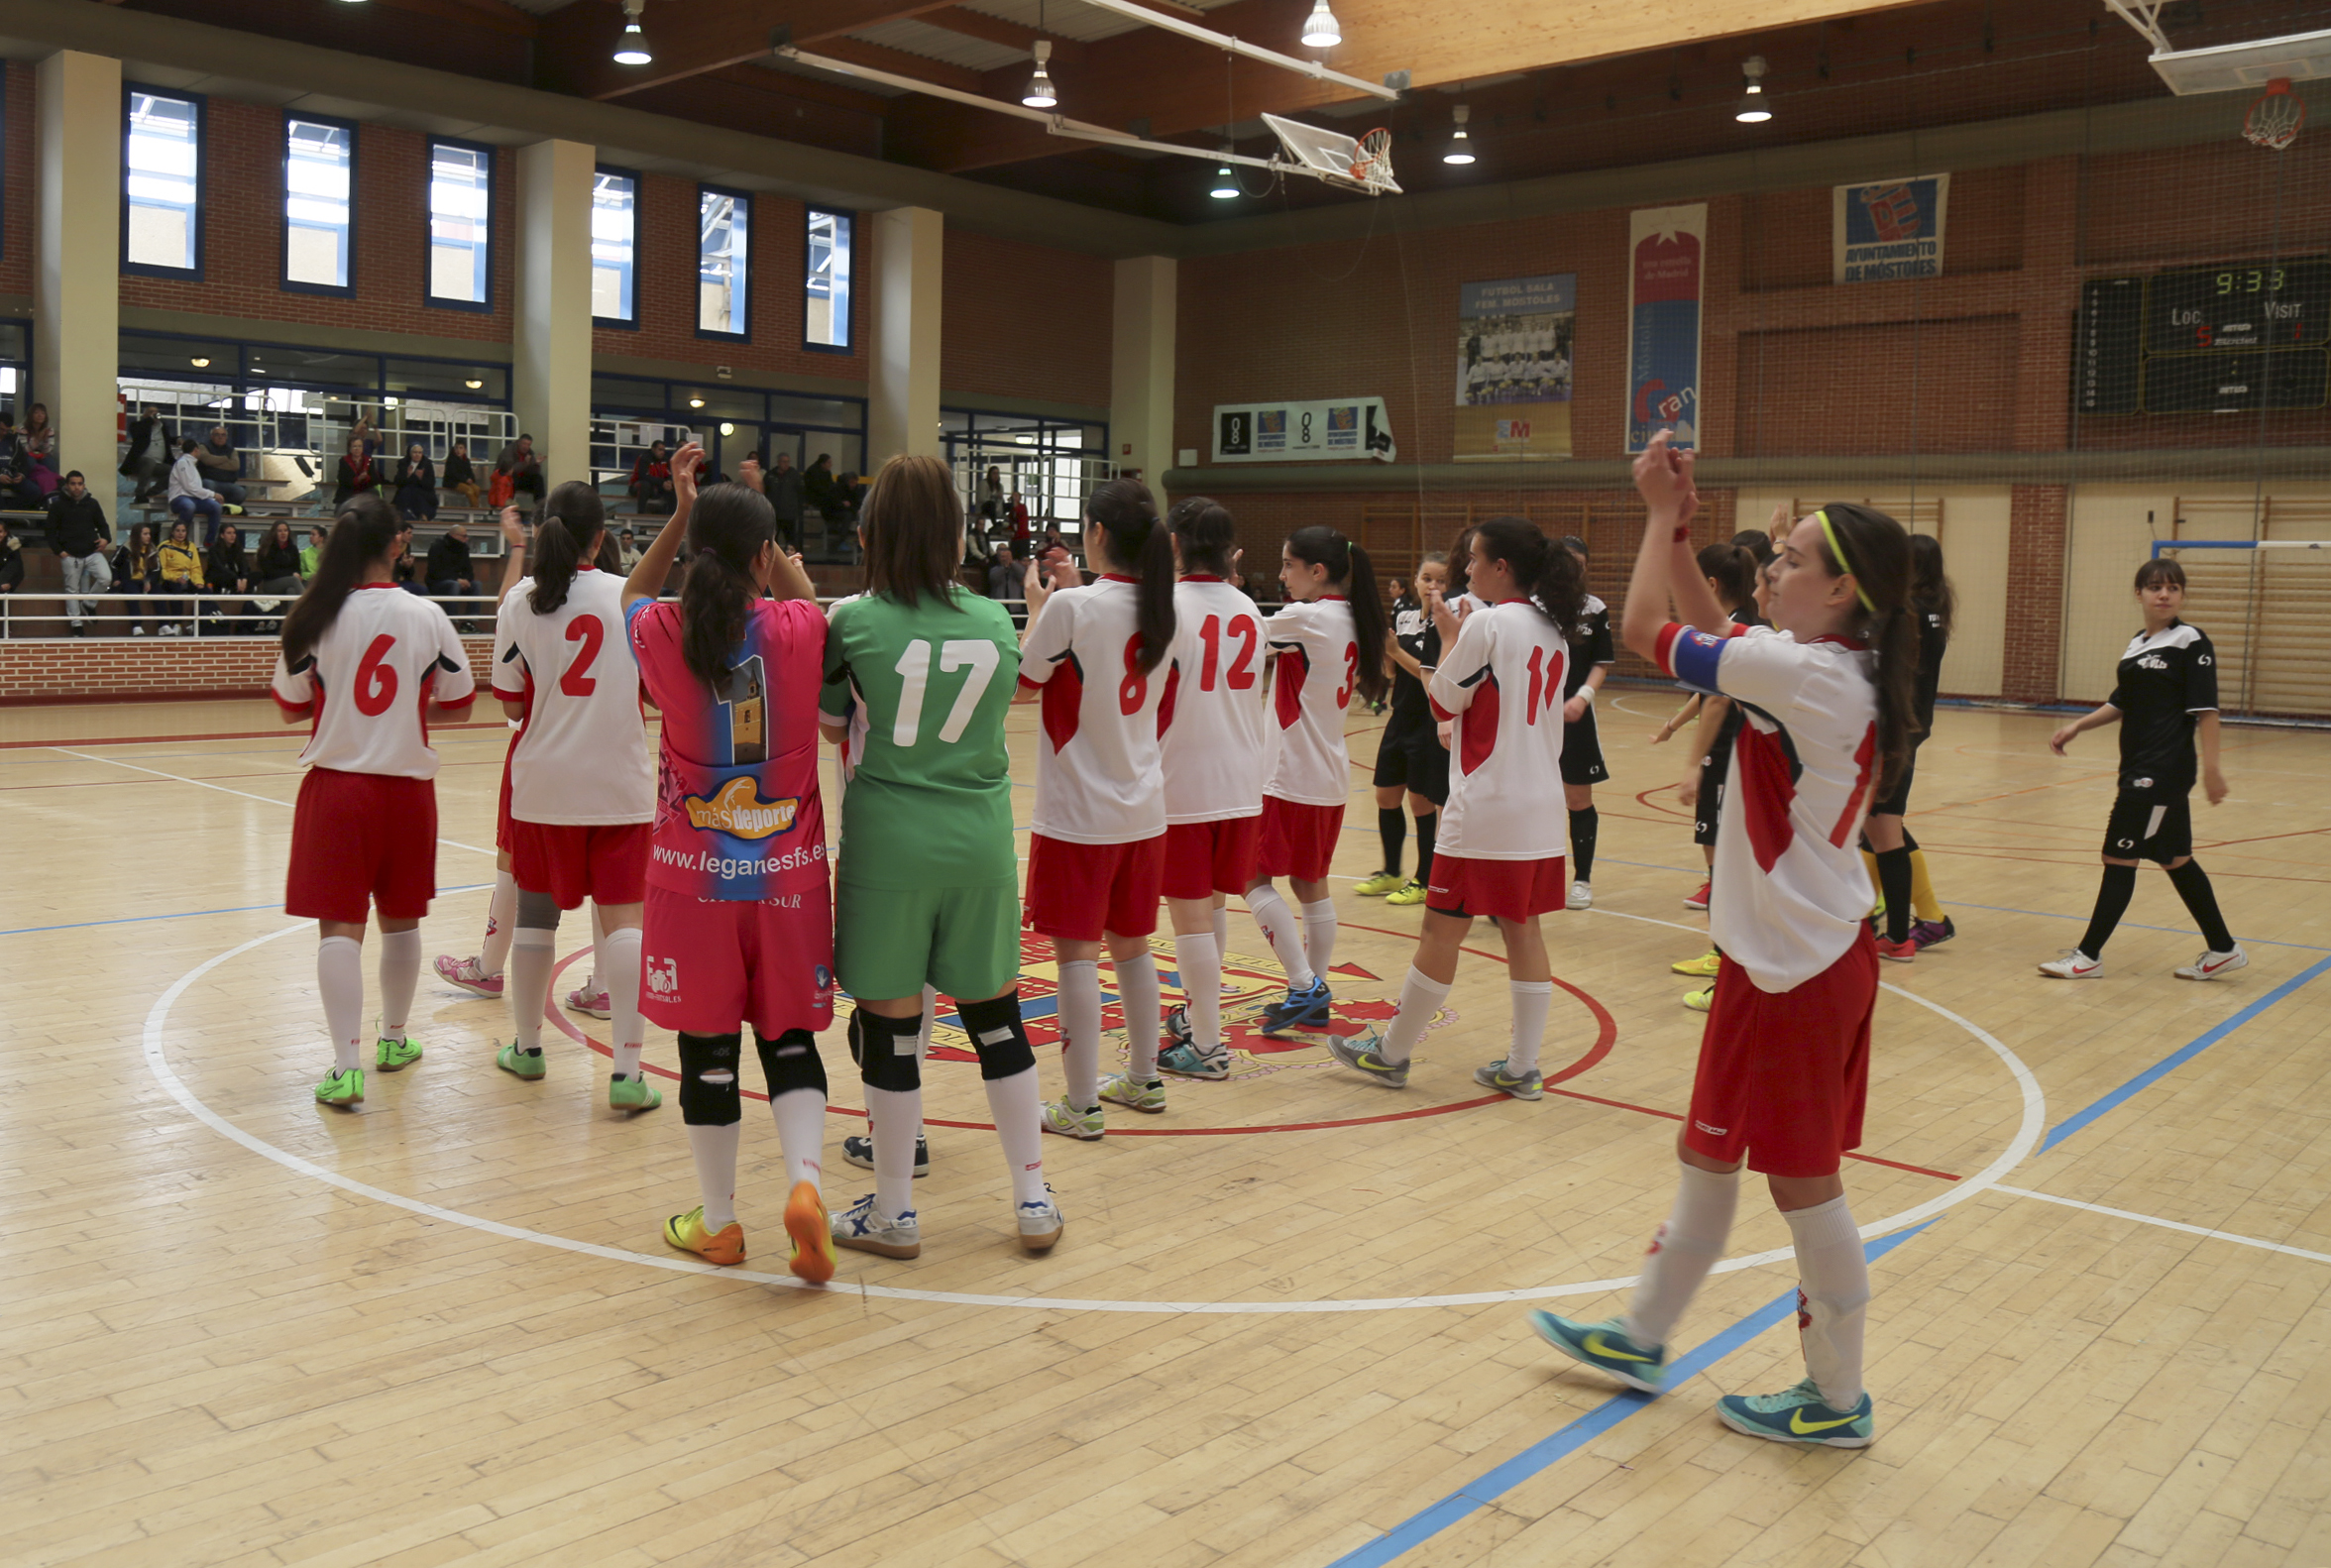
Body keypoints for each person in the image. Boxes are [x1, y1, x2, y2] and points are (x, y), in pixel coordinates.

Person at [1531, 435, 1913, 1450]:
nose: (1773, 568)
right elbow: (1717, 625)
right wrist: (1686, 521)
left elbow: (1652, 624)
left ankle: (1837, 1400)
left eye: (1792, 560)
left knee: (1803, 1182)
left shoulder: (1809, 674)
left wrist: (1656, 517)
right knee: (1707, 1152)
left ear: (1840, 593)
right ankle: (1643, 1333)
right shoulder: (1825, 663)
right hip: (1781, 956)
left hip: (1803, 966)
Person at [818, 454, 1061, 1261]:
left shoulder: (852, 623)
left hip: (891, 841)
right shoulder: (996, 621)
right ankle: (1031, 1196)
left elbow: (827, 727)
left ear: (873, 533)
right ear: (955, 533)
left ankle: (894, 1212)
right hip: (982, 840)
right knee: (997, 1021)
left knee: (891, 1028)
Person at [623, 443, 837, 1282]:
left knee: (708, 1049)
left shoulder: (661, 629)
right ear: (763, 557)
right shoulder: (798, 629)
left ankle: (718, 1223)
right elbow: (804, 596)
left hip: (692, 880)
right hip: (787, 878)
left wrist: (684, 515)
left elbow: (635, 591)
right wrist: (762, 535)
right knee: (789, 1040)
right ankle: (806, 1186)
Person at [1329, 517, 1586, 1097]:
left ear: (1502, 568)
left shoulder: (1491, 623)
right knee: (1524, 930)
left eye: (1474, 560)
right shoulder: (1555, 631)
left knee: (1440, 928)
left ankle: (1392, 1053)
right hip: (1540, 808)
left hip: (1488, 807)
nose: (1465, 570)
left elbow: (1443, 695)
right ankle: (1523, 1066)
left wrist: (1447, 636)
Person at [272, 493, 478, 1107]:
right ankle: (394, 1038)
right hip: (407, 794)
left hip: (336, 791)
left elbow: (288, 708)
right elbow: (462, 703)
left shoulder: (311, 615)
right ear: (399, 544)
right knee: (402, 919)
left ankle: (345, 1065)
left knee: (338, 928)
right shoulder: (427, 614)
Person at [486, 485, 662, 1111]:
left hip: (543, 787)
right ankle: (629, 1074)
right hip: (620, 785)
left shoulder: (520, 602)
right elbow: (662, 696)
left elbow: (508, 701)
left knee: (536, 917)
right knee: (624, 922)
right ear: (601, 535)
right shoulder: (635, 598)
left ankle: (528, 1049)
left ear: (540, 532)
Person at [1014, 477, 1178, 1139]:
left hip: (1079, 812)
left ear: (1098, 534)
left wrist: (1037, 608)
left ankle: (1080, 1104)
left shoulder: (1072, 609)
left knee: (1076, 956)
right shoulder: (1168, 610)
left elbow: (1025, 687)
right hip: (1143, 807)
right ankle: (1143, 1076)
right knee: (1133, 949)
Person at [2039, 558, 2243, 982]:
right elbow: (2122, 702)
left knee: (2118, 857)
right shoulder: (2137, 644)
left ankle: (2088, 956)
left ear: (2182, 595)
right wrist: (2078, 725)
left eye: (2172, 588)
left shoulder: (2191, 641)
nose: (2164, 594)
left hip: (2160, 771)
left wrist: (2213, 770)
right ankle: (2224, 949)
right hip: (2138, 766)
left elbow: (2206, 711)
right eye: (2155, 587)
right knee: (2176, 859)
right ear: (2140, 594)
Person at [1243, 525, 1389, 1034]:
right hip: (1328, 773)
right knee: (1311, 885)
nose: (1282, 577)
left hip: (1290, 774)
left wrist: (1221, 582)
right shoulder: (1352, 617)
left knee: (1251, 877)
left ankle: (1306, 985)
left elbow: (1235, 638)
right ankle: (1314, 992)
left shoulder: (1306, 617)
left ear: (1317, 571)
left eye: (1288, 565)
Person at [1154, 498, 1271, 1081]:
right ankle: (1203, 1018)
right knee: (1214, 907)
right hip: (1243, 777)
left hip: (1186, 779)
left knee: (1190, 916)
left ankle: (1206, 1045)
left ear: (1174, 543)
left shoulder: (1167, 605)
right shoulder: (1249, 605)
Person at [1659, 542, 1763, 1011]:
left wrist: (1689, 767)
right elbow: (1708, 694)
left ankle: (1726, 959)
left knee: (1723, 860)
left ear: (1712, 586)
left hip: (1730, 758)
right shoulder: (1755, 626)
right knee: (1727, 860)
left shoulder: (1736, 634)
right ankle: (1726, 954)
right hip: (1745, 759)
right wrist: (1674, 725)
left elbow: (1718, 700)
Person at [1861, 532, 1955, 959]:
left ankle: (1897, 933)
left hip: (1894, 730)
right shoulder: (1935, 607)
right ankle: (1890, 926)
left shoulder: (1908, 612)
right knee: (1880, 827)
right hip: (1911, 726)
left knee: (1883, 830)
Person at [1355, 555, 1450, 907]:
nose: (1432, 586)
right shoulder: (1405, 616)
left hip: (1429, 719)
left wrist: (1396, 650)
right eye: (1426, 578)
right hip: (1400, 716)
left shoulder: (1447, 624)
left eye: (1440, 580)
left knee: (1421, 802)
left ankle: (1424, 879)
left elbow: (1433, 676)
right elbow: (1394, 674)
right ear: (1415, 580)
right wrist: (1386, 657)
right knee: (1385, 796)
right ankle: (1391, 871)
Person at [1557, 535, 1617, 910]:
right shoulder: (1531, 606)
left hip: (1574, 718)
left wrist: (1583, 696)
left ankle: (1581, 879)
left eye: (1579, 563)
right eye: (1566, 562)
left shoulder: (1594, 609)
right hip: (1532, 719)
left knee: (1578, 798)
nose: (1572, 570)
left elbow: (1601, 662)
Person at [46, 470, 111, 637]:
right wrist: (60, 551)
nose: (77, 487)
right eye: (73, 484)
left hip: (92, 552)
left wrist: (105, 539)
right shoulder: (58, 506)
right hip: (70, 555)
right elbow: (50, 532)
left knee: (106, 578)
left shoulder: (92, 503)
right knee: (72, 590)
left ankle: (89, 604)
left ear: (84, 485)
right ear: (67, 485)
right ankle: (76, 625)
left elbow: (103, 525)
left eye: (80, 484)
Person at [167, 437, 226, 544]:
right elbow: (189, 487)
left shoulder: (193, 465)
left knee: (216, 507)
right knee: (189, 506)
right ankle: (179, 538)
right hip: (179, 498)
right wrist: (213, 494)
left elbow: (194, 489)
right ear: (195, 450)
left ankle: (210, 541)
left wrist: (211, 496)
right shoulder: (182, 463)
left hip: (194, 498)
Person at [156, 516, 204, 634]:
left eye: (183, 531)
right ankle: (177, 624)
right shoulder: (164, 546)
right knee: (176, 589)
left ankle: (196, 624)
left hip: (188, 578)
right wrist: (176, 578)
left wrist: (198, 582)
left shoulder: (191, 546)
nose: (180, 534)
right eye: (178, 531)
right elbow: (162, 570)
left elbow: (196, 567)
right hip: (169, 580)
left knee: (205, 591)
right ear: (172, 532)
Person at [204, 522, 254, 630]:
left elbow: (244, 565)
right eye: (229, 533)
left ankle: (236, 590)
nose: (232, 536)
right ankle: (235, 590)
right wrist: (236, 579)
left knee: (256, 576)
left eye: (234, 533)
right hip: (218, 578)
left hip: (236, 580)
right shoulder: (214, 549)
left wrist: (244, 578)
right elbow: (219, 568)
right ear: (222, 535)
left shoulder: (237, 548)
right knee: (221, 575)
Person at [111, 521, 156, 635]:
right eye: (145, 534)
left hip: (145, 581)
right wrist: (115, 579)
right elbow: (113, 564)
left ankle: (163, 625)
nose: (148, 537)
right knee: (132, 591)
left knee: (159, 590)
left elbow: (156, 570)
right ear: (137, 535)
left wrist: (148, 580)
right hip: (129, 581)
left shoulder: (152, 549)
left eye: (149, 534)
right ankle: (136, 626)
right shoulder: (126, 548)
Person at [121, 405, 172, 503]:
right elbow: (136, 433)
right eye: (151, 412)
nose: (154, 413)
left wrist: (178, 439)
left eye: (156, 412)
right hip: (140, 462)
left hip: (157, 464)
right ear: (145, 415)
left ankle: (151, 492)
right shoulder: (137, 425)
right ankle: (139, 493)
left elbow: (168, 439)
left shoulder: (162, 428)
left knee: (173, 471)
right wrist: (149, 420)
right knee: (149, 462)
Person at [197, 425, 248, 506]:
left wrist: (213, 463)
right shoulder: (203, 446)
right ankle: (212, 507)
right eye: (217, 434)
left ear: (226, 437)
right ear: (211, 436)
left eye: (223, 435)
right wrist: (225, 458)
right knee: (208, 484)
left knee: (241, 492)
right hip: (209, 480)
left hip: (227, 483)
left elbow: (235, 465)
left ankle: (225, 508)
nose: (220, 437)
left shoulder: (231, 450)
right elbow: (207, 460)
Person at [256, 519, 304, 598]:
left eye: (285, 530)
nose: (283, 533)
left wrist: (295, 574)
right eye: (280, 531)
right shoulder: (267, 548)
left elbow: (297, 569)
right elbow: (269, 572)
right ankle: (309, 606)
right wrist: (290, 574)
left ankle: (293, 610)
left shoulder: (293, 548)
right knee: (294, 580)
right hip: (270, 583)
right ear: (274, 533)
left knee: (291, 590)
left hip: (288, 582)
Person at [496, 435, 544, 515]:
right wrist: (525, 463)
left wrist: (536, 464)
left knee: (538, 478)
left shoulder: (529, 454)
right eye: (524, 444)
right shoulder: (508, 451)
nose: (526, 447)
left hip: (521, 479)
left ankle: (541, 506)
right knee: (513, 478)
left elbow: (533, 472)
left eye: (528, 445)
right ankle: (510, 509)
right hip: (505, 480)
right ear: (518, 442)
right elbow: (509, 470)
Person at [426, 522, 477, 599]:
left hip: (458, 580)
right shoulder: (437, 547)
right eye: (464, 536)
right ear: (455, 536)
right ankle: (452, 611)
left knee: (477, 585)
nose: (467, 539)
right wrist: (457, 579)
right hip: (438, 582)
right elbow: (435, 571)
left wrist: (466, 580)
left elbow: (468, 569)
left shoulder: (464, 549)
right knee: (454, 585)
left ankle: (474, 611)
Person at [766, 452, 805, 547]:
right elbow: (766, 491)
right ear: (778, 462)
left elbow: (801, 492)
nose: (786, 464)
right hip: (774, 513)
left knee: (791, 540)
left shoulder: (794, 476)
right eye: (784, 461)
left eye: (788, 461)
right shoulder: (770, 475)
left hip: (789, 513)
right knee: (773, 540)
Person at [392, 443, 438, 522]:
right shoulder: (403, 464)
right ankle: (401, 515)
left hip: (423, 491)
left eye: (420, 453)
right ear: (410, 453)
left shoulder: (427, 464)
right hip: (407, 490)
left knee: (418, 494)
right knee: (406, 492)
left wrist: (421, 479)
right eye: (415, 452)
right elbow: (398, 482)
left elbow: (430, 484)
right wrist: (408, 475)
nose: (417, 455)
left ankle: (424, 515)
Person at [629, 440, 674, 515]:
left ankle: (671, 515)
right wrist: (662, 482)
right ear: (653, 449)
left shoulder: (665, 459)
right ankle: (641, 514)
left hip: (657, 486)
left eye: (663, 450)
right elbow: (643, 476)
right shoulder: (644, 458)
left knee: (674, 487)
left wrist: (669, 482)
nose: (662, 452)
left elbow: (669, 474)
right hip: (637, 486)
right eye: (660, 450)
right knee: (645, 485)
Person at [332, 436, 377, 508]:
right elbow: (343, 480)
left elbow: (375, 479)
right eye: (354, 446)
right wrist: (358, 479)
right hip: (348, 492)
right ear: (350, 448)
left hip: (364, 492)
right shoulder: (344, 461)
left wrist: (366, 477)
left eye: (359, 446)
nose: (357, 449)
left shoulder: (369, 461)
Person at [442, 440, 481, 509]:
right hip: (452, 482)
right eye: (456, 448)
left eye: (460, 448)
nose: (458, 450)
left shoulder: (466, 460)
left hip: (463, 481)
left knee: (477, 489)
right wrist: (466, 479)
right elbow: (453, 474)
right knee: (469, 491)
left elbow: (470, 472)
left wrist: (471, 479)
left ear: (465, 450)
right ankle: (475, 509)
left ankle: (474, 507)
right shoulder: (451, 460)